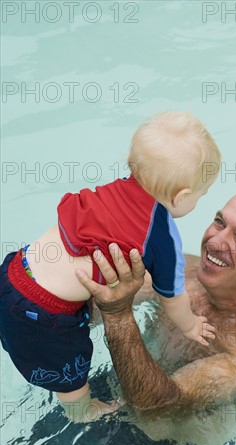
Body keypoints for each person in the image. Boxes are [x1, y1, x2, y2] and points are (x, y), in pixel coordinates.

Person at [0, 112, 221, 422]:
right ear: (181, 196)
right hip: (46, 313)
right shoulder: (160, 234)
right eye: (202, 195)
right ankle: (83, 413)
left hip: (14, 271)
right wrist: (190, 325)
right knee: (69, 375)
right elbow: (172, 295)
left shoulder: (111, 192)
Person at [75, 188, 236, 420]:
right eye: (219, 222)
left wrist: (118, 315)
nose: (215, 242)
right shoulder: (181, 271)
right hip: (110, 385)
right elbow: (85, 308)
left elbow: (158, 406)